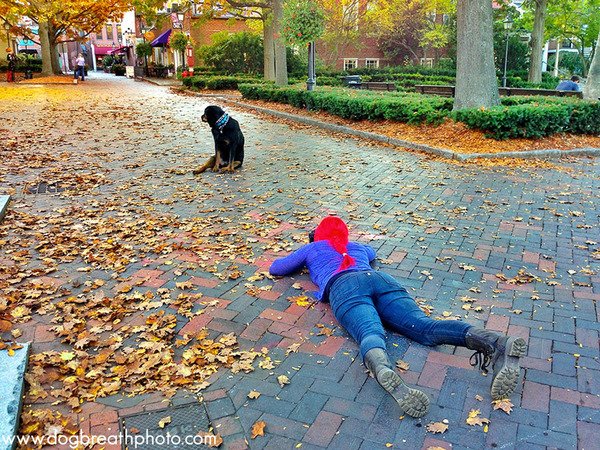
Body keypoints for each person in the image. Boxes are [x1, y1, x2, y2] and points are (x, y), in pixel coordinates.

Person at [269, 217, 527, 418]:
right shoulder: (356, 247)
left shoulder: (312, 247)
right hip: (381, 280)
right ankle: (496, 342)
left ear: (318, 235)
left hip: (344, 287)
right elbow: (371, 252)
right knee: (426, 327)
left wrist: (308, 257)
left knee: (369, 332)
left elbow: (276, 268)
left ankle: (383, 369)